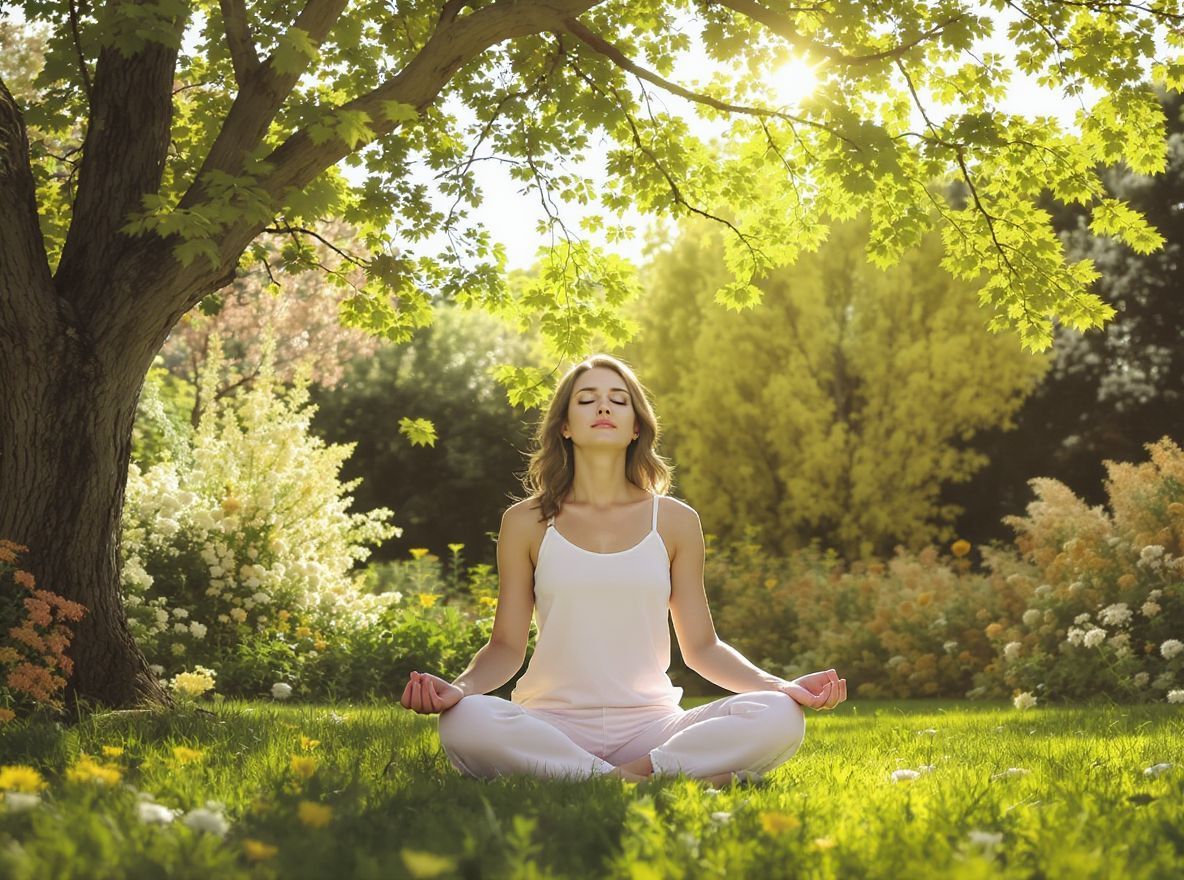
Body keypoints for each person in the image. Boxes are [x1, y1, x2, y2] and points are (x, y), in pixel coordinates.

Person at [400, 354, 847, 785]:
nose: (603, 406)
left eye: (618, 398)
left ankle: (613, 776)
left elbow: (703, 648)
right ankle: (649, 778)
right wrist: (458, 689)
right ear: (565, 427)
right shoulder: (526, 522)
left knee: (779, 715)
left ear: (636, 427)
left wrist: (782, 686)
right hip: (552, 724)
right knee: (465, 719)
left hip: (650, 726)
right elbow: (505, 647)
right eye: (586, 398)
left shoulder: (674, 521)